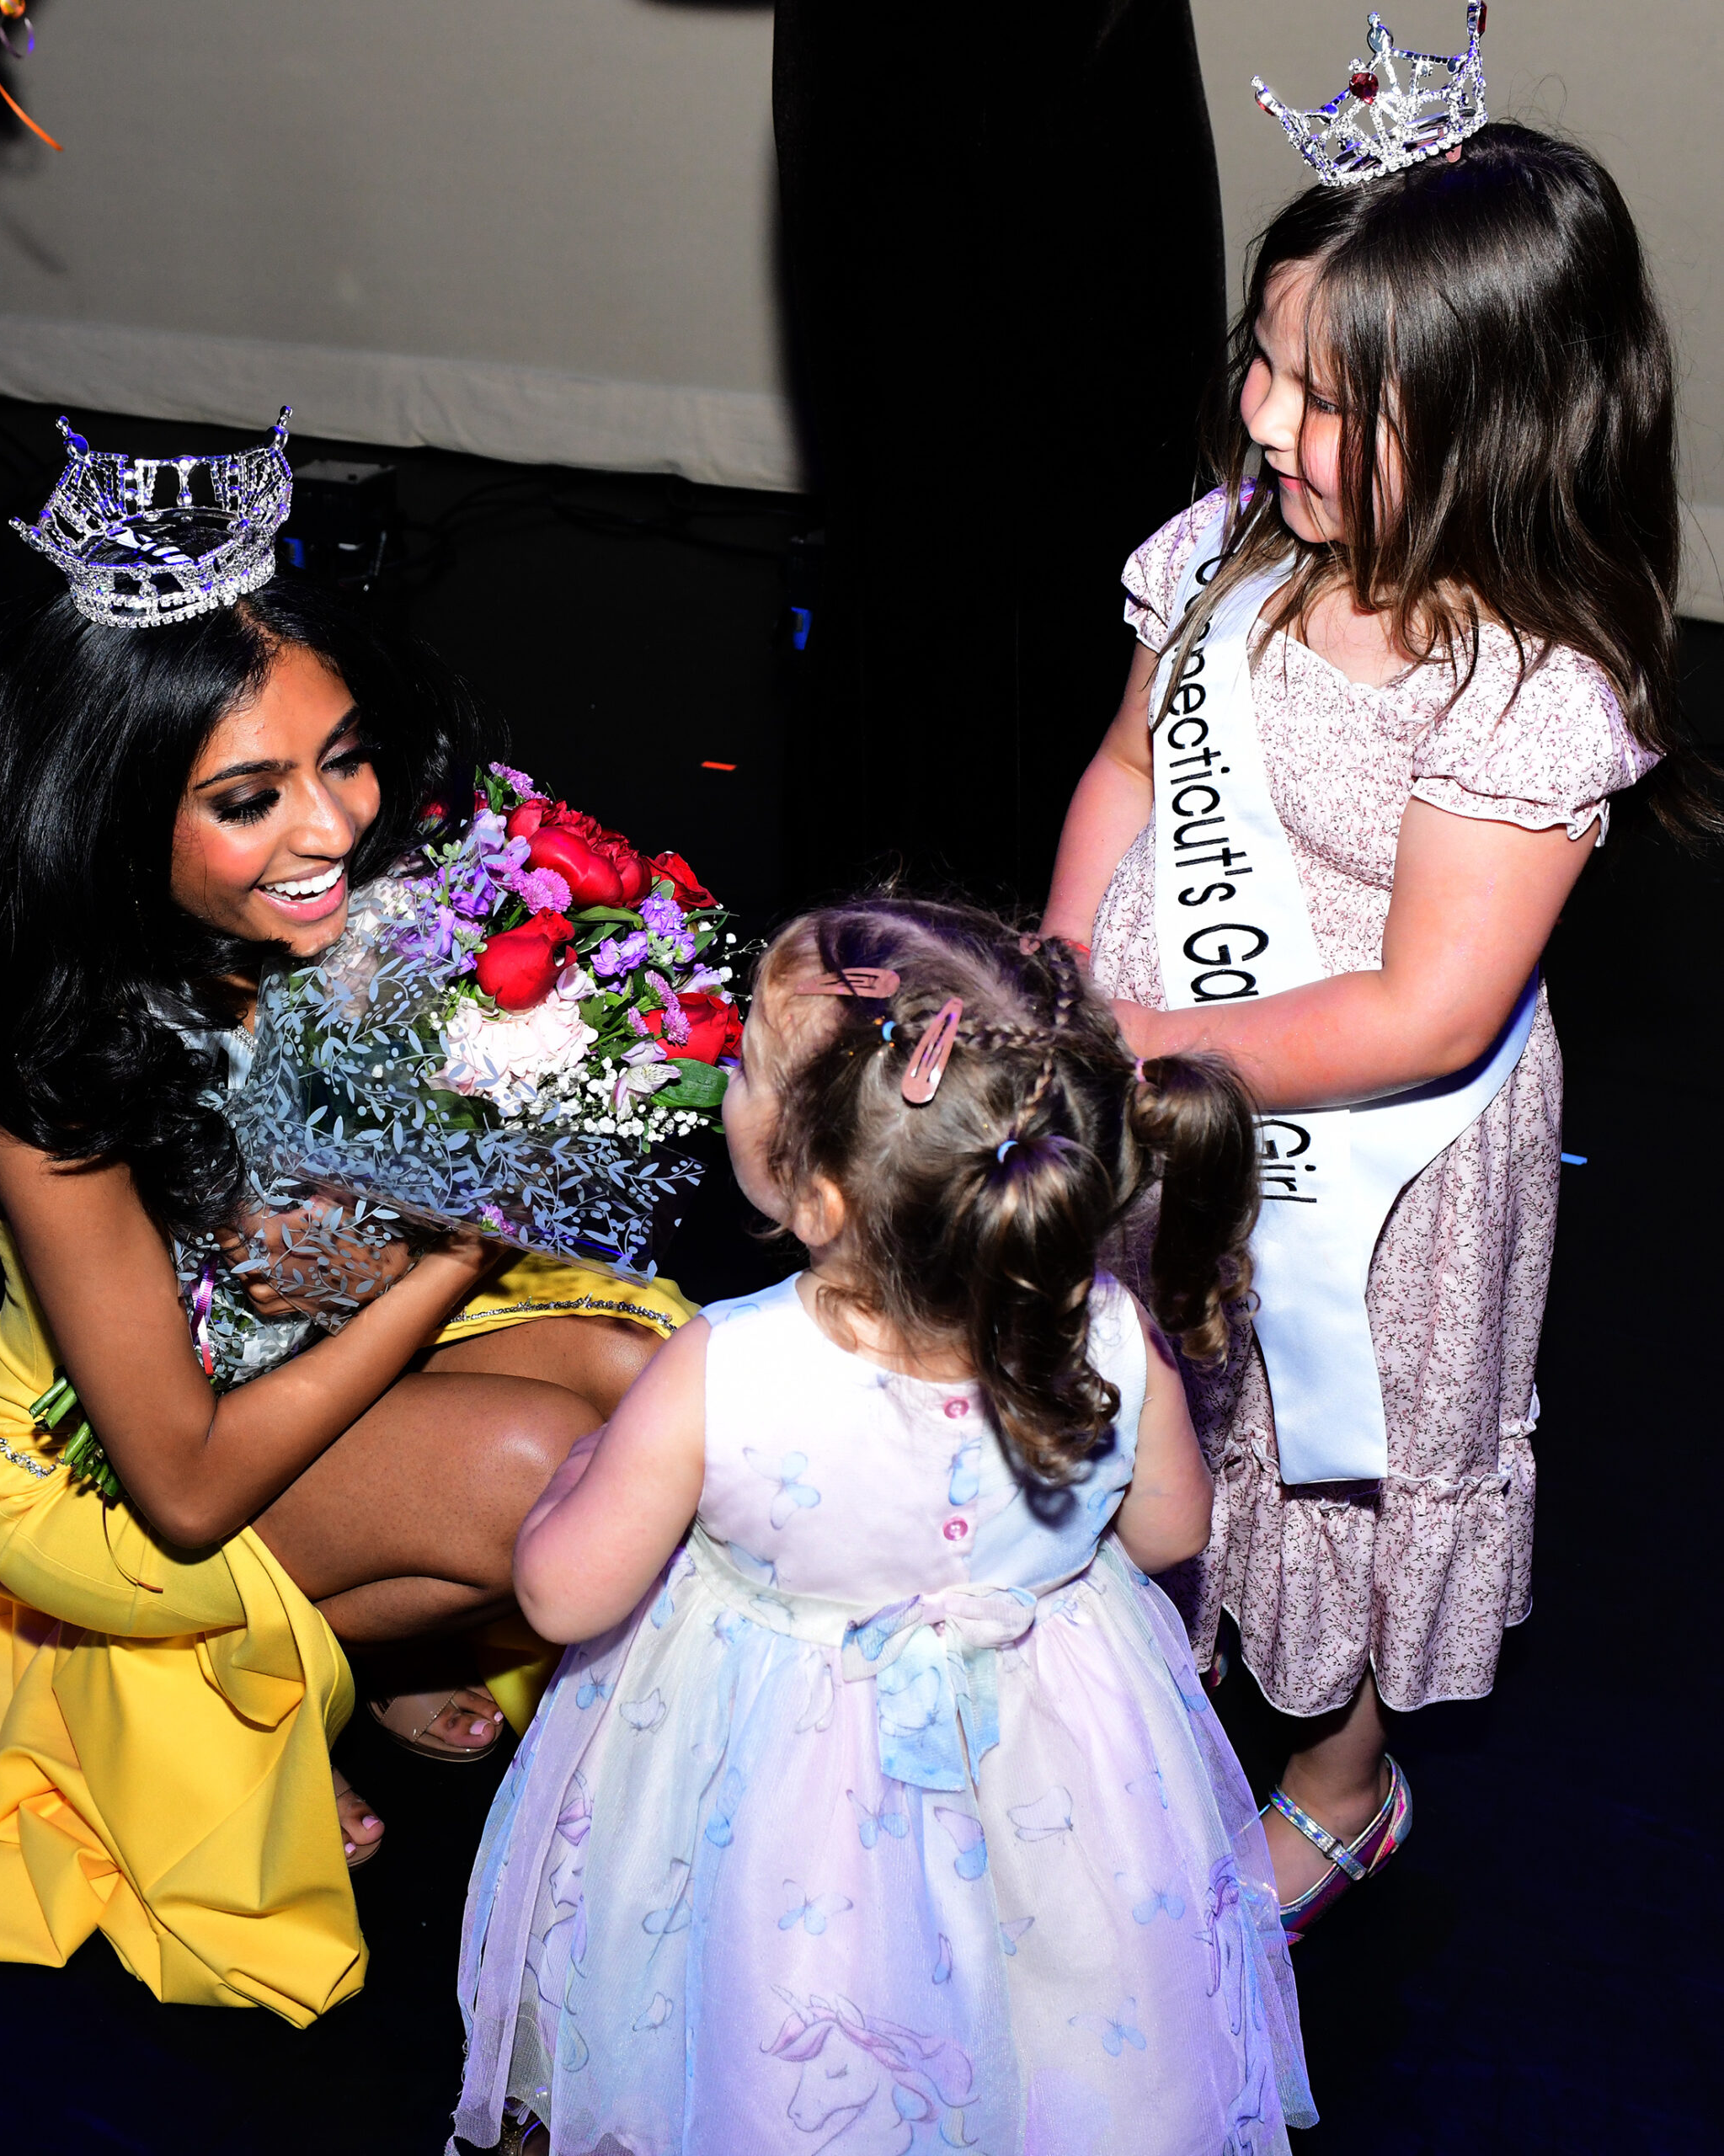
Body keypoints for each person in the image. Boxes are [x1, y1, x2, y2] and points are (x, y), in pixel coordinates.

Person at [0, 500, 694, 2020]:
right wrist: (450, 1261)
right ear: (118, 813)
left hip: (331, 1315)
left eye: (345, 758)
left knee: (652, 1382)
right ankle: (217, 1697)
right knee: (546, 1476)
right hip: (116, 1462)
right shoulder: (44, 1073)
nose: (332, 829)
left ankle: (365, 1656)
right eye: (249, 798)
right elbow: (181, 1485)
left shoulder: (360, 905)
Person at [1042, 103, 1695, 1937]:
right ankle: (1143, 1670)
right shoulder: (1226, 552)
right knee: (1162, 1391)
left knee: (1329, 1450)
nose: (1264, 421)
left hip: (1375, 1167)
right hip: (1158, 1071)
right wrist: (1068, 964)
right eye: (1263, 362)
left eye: (1329, 400)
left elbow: (1424, 1009)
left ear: (1502, 421)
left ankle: (1341, 1781)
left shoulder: (1532, 685)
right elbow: (1127, 762)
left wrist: (1135, 1040)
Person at [453, 898, 1316, 2155]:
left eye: (746, 1066)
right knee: (1059, 2012)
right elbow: (1173, 1534)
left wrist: (578, 1475)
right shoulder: (1113, 1333)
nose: (728, 1078)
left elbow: (563, 1597)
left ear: (818, 1194)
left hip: (776, 1789)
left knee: (782, 2015)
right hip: (1051, 1775)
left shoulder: (725, 1364)